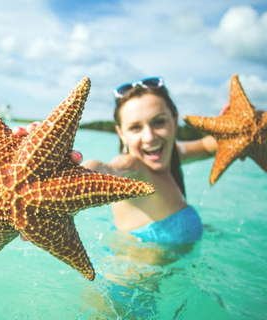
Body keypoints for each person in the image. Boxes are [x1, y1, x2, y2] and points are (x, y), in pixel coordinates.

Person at [13, 76, 223, 252]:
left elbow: (208, 145)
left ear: (174, 121)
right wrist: (61, 170)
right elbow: (105, 169)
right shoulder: (133, 166)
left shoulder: (174, 153)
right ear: (121, 134)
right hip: (126, 293)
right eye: (135, 128)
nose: (149, 137)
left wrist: (239, 123)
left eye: (159, 122)